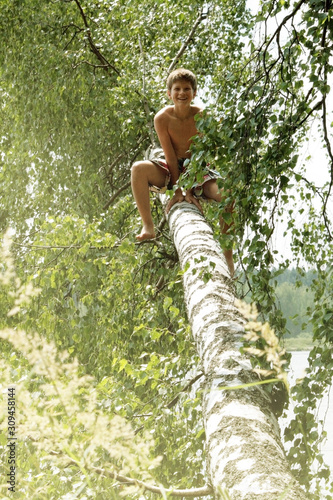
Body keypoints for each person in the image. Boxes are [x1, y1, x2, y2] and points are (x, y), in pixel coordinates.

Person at [131, 68, 234, 276]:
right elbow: (169, 156)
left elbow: (203, 155)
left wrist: (191, 189)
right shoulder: (162, 118)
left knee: (228, 193)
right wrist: (179, 191)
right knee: (137, 169)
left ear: (194, 93)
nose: (182, 93)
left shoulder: (203, 117)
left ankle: (228, 254)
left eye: (187, 89)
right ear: (169, 94)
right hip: (171, 167)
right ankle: (148, 226)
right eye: (176, 89)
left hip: (197, 168)